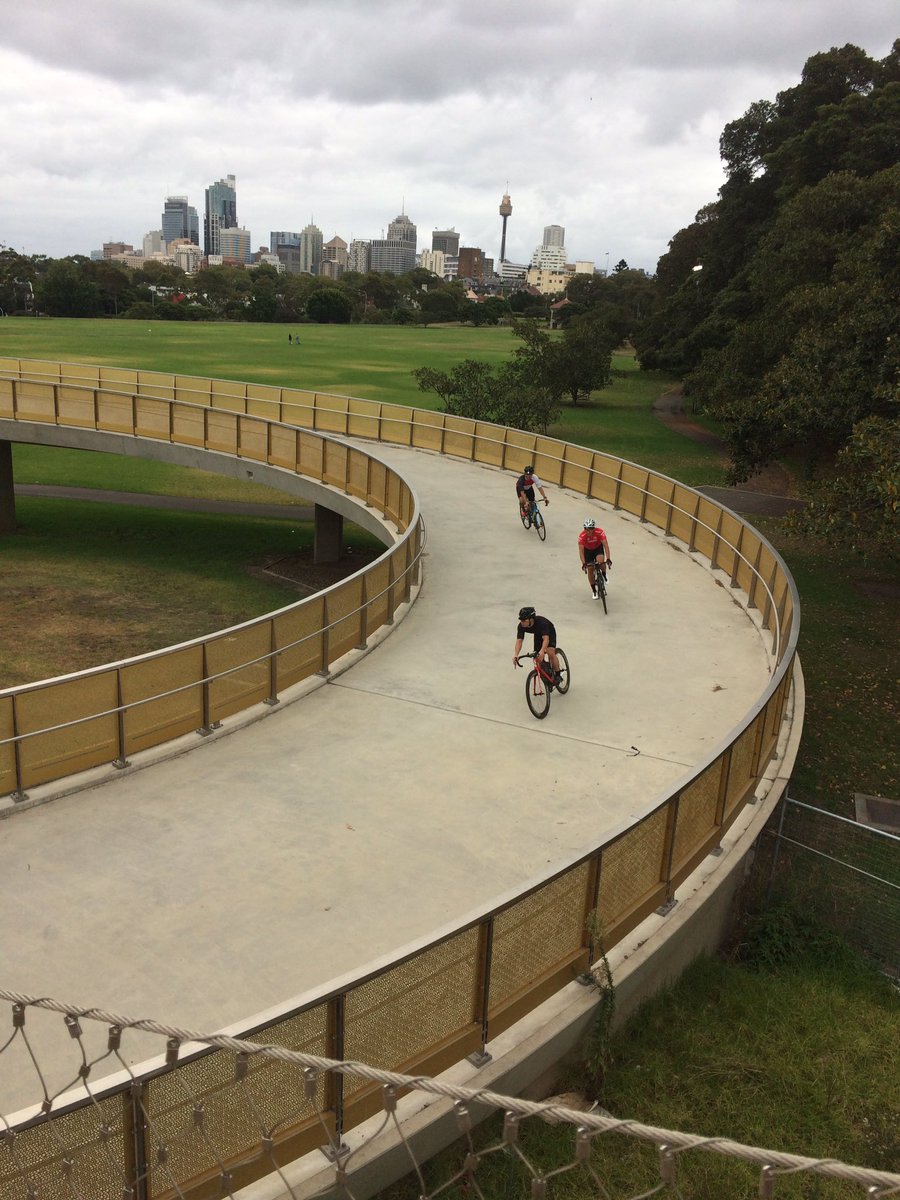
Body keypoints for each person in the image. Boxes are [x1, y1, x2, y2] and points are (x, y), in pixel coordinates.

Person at [513, 606, 561, 680]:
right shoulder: (521, 626)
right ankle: (546, 672)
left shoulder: (542, 623)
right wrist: (516, 655)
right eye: (521, 620)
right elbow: (519, 641)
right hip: (538, 634)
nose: (522, 622)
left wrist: (542, 651)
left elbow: (546, 639)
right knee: (537, 658)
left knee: (550, 652)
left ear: (531, 619)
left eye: (524, 620)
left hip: (549, 633)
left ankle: (558, 674)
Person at [578, 519, 612, 598]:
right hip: (587, 551)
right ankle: (594, 591)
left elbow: (606, 545)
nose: (588, 531)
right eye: (586, 529)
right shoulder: (582, 536)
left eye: (590, 529)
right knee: (590, 569)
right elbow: (581, 551)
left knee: (601, 563)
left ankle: (604, 574)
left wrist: (608, 558)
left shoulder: (599, 532)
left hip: (597, 549)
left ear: (594, 529)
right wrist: (584, 563)